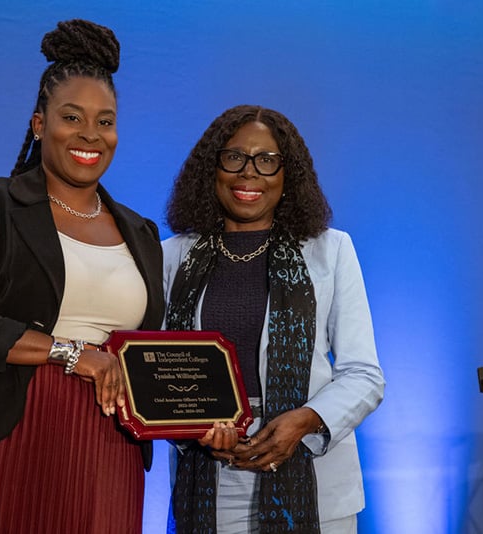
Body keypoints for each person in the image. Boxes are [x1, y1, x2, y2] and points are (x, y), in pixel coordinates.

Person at [0, 19, 166, 533]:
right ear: (38, 124)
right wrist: (73, 355)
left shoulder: (141, 233)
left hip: (104, 445)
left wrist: (205, 416)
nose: (90, 136)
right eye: (71, 117)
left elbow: (148, 354)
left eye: (105, 121)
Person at [162, 105, 385, 534]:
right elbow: (157, 373)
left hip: (314, 481)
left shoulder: (331, 251)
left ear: (288, 175)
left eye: (267, 161)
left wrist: (305, 420)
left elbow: (364, 374)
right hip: (208, 478)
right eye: (234, 158)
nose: (250, 173)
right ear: (212, 169)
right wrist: (195, 423)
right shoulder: (172, 256)